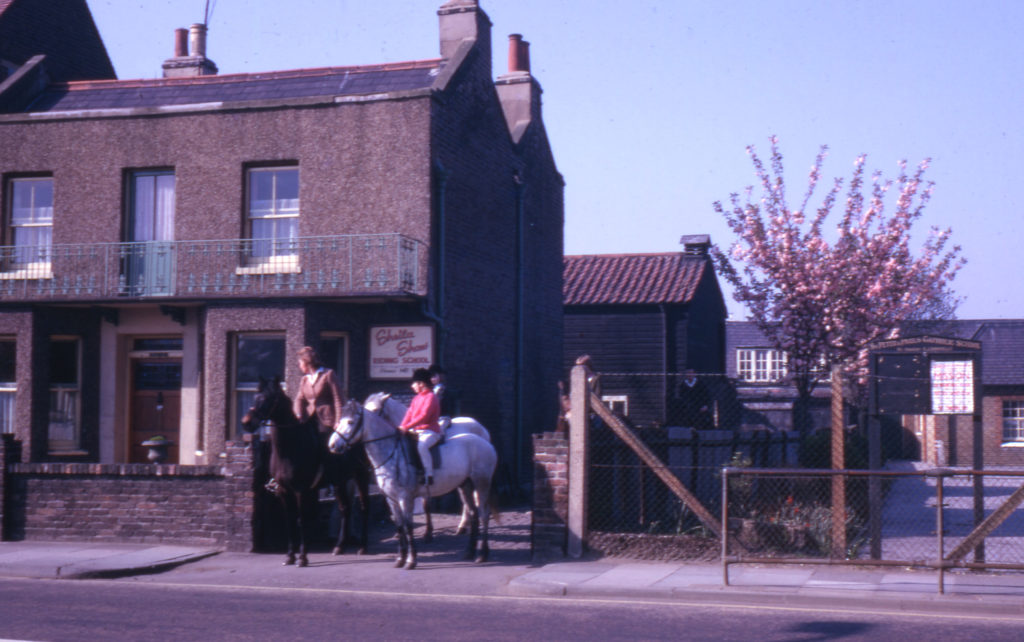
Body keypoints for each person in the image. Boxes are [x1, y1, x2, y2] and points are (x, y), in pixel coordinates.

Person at [399, 367, 441, 487]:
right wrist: (401, 426)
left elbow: (424, 416)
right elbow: (409, 414)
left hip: (430, 431)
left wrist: (407, 427)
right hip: (417, 431)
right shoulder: (416, 398)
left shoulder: (431, 397)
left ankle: (429, 475)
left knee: (422, 446)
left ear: (421, 384)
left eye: (414, 384)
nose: (412, 386)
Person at [293, 346, 346, 436]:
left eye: (300, 363)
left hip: (327, 421)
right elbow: (299, 399)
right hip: (309, 419)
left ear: (306, 363)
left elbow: (338, 399)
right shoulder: (305, 379)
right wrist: (298, 414)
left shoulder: (328, 374)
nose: (299, 366)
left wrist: (338, 421)